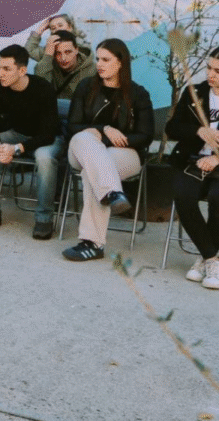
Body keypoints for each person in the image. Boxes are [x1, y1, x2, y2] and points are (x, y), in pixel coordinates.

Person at [62, 39, 154, 262]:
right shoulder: (86, 87)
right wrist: (104, 129)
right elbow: (72, 126)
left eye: (105, 59)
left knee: (92, 172)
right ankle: (113, 192)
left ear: (120, 62)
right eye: (98, 59)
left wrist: (107, 140)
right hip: (81, 151)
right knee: (84, 138)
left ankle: (92, 243)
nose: (99, 64)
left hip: (125, 154)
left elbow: (145, 136)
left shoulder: (138, 94)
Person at [0, 45, 61, 239]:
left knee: (44, 157)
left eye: (6, 69)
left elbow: (48, 134)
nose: (0, 74)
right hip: (16, 135)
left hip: (47, 139)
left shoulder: (43, 88)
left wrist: (16, 149)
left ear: (22, 70)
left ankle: (44, 218)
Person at [163, 47, 219, 288]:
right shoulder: (194, 93)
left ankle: (205, 260)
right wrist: (198, 130)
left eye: (218, 71)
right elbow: (172, 128)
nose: (211, 74)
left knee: (217, 198)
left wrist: (217, 159)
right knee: (183, 194)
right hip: (194, 161)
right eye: (209, 68)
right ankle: (211, 258)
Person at [35, 30, 98, 114]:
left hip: (78, 116)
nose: (63, 58)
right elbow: (39, 89)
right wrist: (48, 55)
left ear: (76, 50)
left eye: (68, 52)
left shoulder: (93, 70)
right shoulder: (49, 64)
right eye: (58, 53)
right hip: (52, 115)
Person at [26, 13, 91, 63]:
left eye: (60, 25)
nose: (57, 29)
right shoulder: (50, 50)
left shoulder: (82, 45)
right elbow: (29, 51)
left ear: (70, 27)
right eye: (53, 28)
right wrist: (40, 29)